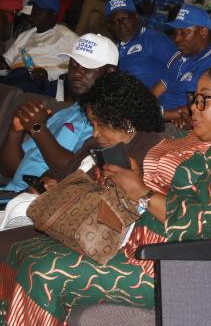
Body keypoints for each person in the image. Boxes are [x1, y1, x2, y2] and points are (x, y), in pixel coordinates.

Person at [0, 63, 211, 324]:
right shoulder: (191, 140)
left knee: (44, 271)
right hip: (136, 242)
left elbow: (205, 225)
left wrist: (143, 192)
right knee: (21, 252)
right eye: (194, 98)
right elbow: (169, 187)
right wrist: (131, 177)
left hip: (172, 266)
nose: (194, 108)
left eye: (205, 100)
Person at [0, 70, 164, 245]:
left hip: (85, 231)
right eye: (92, 124)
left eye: (99, 124)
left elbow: (113, 199)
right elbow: (66, 171)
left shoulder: (145, 151)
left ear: (126, 122)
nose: (95, 132)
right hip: (55, 216)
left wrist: (65, 189)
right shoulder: (96, 143)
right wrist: (50, 181)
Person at [0, 33, 118, 192]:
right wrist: (15, 132)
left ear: (110, 72)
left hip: (37, 202)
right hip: (10, 194)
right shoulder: (65, 113)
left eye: (87, 67)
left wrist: (37, 127)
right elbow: (10, 171)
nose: (77, 73)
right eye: (74, 65)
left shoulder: (108, 121)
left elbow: (74, 168)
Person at [153, 4, 211, 124]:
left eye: (185, 33)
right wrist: (141, 107)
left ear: (203, 31)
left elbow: (200, 108)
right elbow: (157, 90)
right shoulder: (180, 59)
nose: (177, 39)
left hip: (178, 126)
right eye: (176, 33)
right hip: (158, 119)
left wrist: (155, 114)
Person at [0, 0, 78, 95]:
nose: (34, 13)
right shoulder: (26, 35)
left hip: (40, 80)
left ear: (53, 15)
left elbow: (78, 65)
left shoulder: (66, 35)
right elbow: (6, 63)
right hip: (14, 76)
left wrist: (48, 73)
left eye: (40, 11)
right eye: (34, 9)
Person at [105, 0, 178, 89]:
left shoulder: (153, 38)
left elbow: (181, 68)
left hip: (162, 101)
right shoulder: (111, 50)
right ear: (109, 26)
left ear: (136, 17)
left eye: (125, 19)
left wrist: (155, 94)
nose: (121, 25)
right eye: (115, 21)